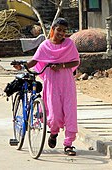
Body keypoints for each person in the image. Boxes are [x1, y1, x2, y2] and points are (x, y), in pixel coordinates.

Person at [14, 18, 80, 156]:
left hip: (67, 82)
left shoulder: (69, 44)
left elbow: (75, 61)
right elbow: (34, 60)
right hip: (51, 83)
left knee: (70, 113)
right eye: (59, 30)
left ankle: (68, 144)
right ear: (53, 30)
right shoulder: (45, 45)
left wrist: (61, 66)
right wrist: (22, 66)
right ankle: (53, 133)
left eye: (64, 31)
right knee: (54, 115)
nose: (61, 33)